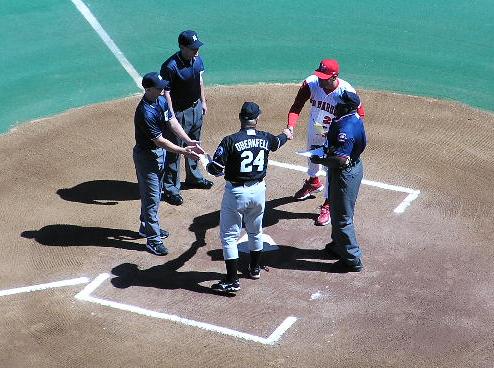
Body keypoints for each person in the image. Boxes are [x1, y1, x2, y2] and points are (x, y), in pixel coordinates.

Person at [206, 102, 293, 293]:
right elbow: (278, 141)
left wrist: (204, 160)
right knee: (255, 231)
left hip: (236, 194)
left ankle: (232, 280)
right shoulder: (265, 138)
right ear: (257, 119)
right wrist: (287, 134)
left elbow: (215, 169)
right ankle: (254, 269)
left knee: (229, 237)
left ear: (240, 118)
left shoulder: (230, 140)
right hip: (259, 192)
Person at [287, 59, 365, 226]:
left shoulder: (346, 92)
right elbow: (297, 105)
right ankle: (313, 182)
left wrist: (347, 137)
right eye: (319, 75)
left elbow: (360, 116)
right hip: (317, 126)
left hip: (336, 133)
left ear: (334, 77)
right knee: (312, 155)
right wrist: (291, 126)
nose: (320, 79)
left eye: (324, 77)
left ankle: (328, 203)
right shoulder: (311, 83)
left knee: (331, 166)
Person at [133, 72, 204, 256]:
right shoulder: (145, 112)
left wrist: (188, 141)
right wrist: (183, 152)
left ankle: (145, 227)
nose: (163, 89)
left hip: (159, 154)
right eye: (159, 87)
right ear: (148, 89)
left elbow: (172, 121)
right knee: (152, 198)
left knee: (153, 195)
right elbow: (160, 141)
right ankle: (153, 240)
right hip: (147, 156)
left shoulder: (161, 100)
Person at [310, 91, 366, 272]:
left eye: (339, 103)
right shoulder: (347, 118)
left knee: (342, 218)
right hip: (343, 169)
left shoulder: (347, 128)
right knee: (336, 208)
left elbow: (341, 160)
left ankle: (352, 259)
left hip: (345, 173)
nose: (336, 104)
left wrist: (320, 161)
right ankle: (338, 246)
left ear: (347, 107)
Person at [159, 30, 212, 206]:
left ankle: (194, 177)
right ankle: (171, 188)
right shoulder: (170, 66)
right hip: (179, 113)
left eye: (197, 47)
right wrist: (171, 115)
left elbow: (200, 81)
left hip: (196, 107)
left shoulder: (197, 60)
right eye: (192, 48)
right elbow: (166, 93)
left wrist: (203, 102)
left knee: (195, 144)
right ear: (182, 47)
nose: (196, 50)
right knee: (175, 150)